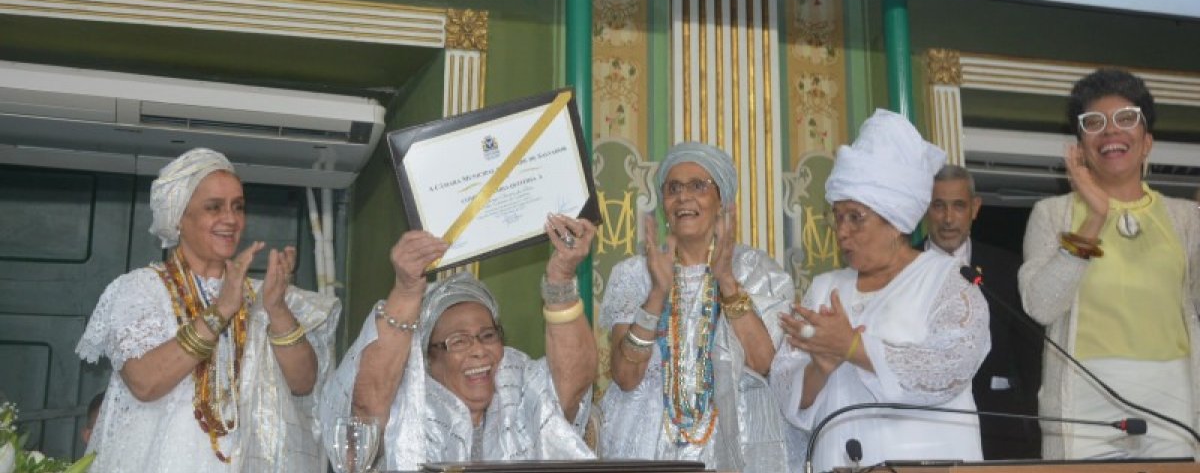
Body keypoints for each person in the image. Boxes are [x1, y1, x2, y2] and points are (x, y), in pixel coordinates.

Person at [75, 147, 340, 472]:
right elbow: (145, 382)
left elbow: (303, 383)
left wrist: (277, 308)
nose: (230, 219)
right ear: (178, 217)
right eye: (214, 207)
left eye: (238, 207)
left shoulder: (262, 294)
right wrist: (220, 310)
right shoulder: (140, 289)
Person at [771, 109, 990, 472]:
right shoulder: (825, 288)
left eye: (855, 217)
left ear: (896, 221)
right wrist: (820, 370)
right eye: (837, 216)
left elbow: (949, 367)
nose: (842, 231)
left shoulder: (947, 280)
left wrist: (853, 348)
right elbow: (786, 391)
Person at [319, 214, 598, 469]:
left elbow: (572, 386)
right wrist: (405, 292)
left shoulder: (518, 388)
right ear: (429, 358)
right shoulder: (407, 413)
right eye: (458, 341)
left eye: (488, 335)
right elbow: (366, 409)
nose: (479, 350)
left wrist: (560, 279)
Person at [1019, 68, 1200, 459]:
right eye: (1094, 123)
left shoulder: (1187, 218)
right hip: (1082, 399)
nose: (1111, 132)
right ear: (1080, 146)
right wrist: (1094, 218)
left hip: (1174, 398)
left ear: (1147, 141)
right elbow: (1041, 304)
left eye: (1126, 119)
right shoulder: (1052, 213)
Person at [599, 142, 794, 473]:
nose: (683, 197)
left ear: (721, 201)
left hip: (734, 445)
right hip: (646, 448)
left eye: (698, 186)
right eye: (673, 188)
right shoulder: (633, 273)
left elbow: (765, 363)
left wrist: (727, 283)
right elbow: (625, 376)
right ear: (663, 202)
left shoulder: (756, 269)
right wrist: (657, 294)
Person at [925, 164, 1042, 459]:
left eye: (958, 206)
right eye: (939, 206)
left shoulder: (1008, 269)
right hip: (925, 427)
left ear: (975, 208)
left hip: (999, 431)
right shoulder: (902, 269)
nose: (948, 218)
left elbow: (1029, 358)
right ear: (926, 208)